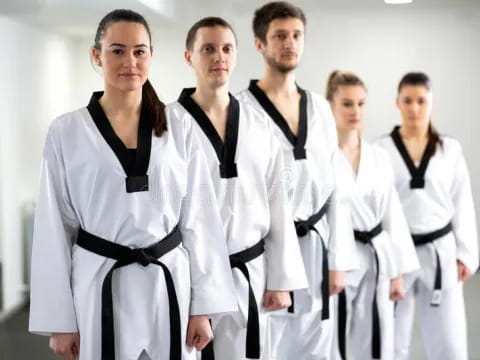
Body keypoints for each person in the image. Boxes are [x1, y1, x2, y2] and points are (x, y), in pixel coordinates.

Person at [28, 9, 237, 360]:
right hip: (98, 282)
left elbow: (200, 220)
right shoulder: (67, 131)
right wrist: (60, 321)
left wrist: (204, 307)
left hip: (168, 281)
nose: (130, 61)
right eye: (117, 50)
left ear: (151, 56)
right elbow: (54, 227)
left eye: (140, 51)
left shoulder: (180, 127)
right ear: (97, 55)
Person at [167, 16, 308, 360]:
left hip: (249, 270)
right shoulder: (168, 123)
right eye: (208, 49)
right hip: (190, 276)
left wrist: (281, 277)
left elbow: (278, 202)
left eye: (227, 48)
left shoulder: (259, 124)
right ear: (189, 56)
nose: (219, 57)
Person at [237, 3, 357, 359]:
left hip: (317, 246)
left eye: (296, 35)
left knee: (317, 342)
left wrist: (339, 259)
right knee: (270, 341)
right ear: (260, 44)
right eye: (279, 36)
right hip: (269, 246)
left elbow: (336, 188)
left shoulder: (320, 107)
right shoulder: (241, 108)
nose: (290, 43)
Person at [375, 72, 479, 360]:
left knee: (449, 341)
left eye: (421, 101)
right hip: (398, 255)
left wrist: (466, 255)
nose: (414, 108)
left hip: (440, 252)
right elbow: (376, 207)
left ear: (431, 102)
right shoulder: (381, 151)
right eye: (407, 101)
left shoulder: (449, 150)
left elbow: (463, 204)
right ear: (397, 103)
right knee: (391, 339)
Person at [326, 70, 419, 360]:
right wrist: (333, 263)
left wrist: (397, 272)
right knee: (333, 339)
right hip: (338, 260)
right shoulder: (322, 156)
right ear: (331, 105)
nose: (355, 111)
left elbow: (392, 214)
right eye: (347, 103)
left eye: (361, 103)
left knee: (377, 338)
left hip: (377, 255)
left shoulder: (378, 156)